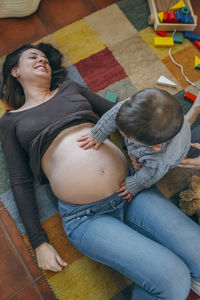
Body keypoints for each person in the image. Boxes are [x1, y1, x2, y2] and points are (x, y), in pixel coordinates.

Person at [0, 43, 200, 300]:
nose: (43, 60)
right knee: (173, 281)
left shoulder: (70, 89)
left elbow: (122, 114)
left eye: (45, 58)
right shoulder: (11, 121)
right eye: (33, 57)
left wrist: (140, 150)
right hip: (87, 217)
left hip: (132, 190)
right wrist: (39, 242)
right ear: (15, 72)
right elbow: (19, 181)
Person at [78, 88, 191, 200]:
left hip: (169, 155)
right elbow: (114, 114)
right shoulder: (132, 108)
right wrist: (98, 134)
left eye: (127, 136)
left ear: (154, 146)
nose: (120, 131)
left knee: (146, 168)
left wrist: (135, 184)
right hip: (152, 139)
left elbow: (150, 175)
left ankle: (139, 156)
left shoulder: (161, 159)